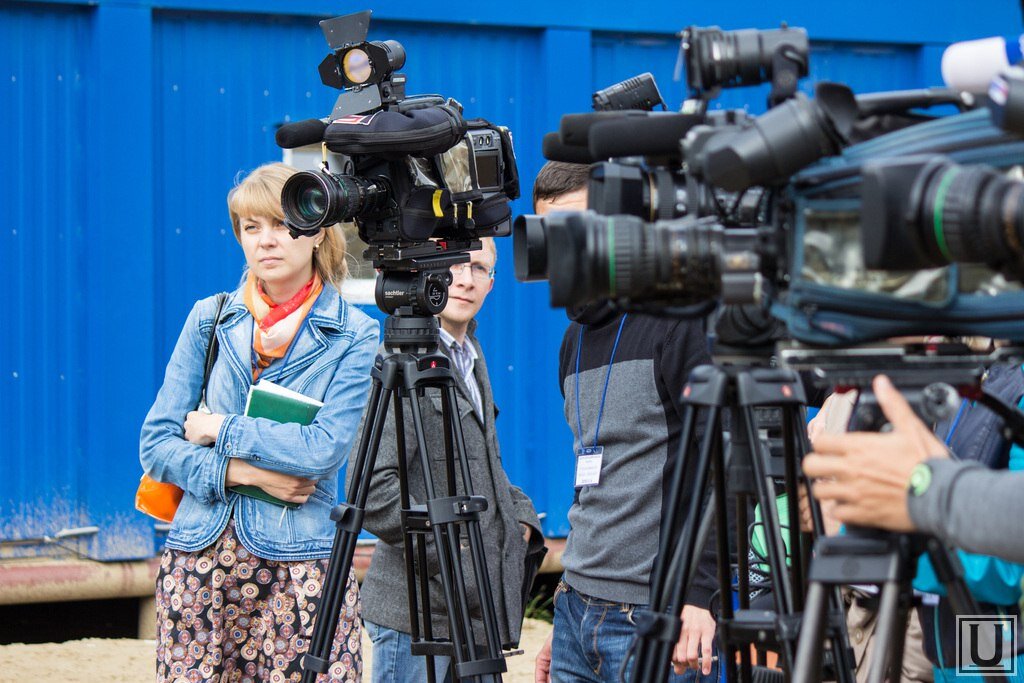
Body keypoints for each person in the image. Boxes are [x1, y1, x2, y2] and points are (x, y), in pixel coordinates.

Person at [139, 162, 379, 682]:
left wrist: (219, 428)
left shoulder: (355, 334)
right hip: (198, 560)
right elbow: (156, 444)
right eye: (252, 228)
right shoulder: (209, 317)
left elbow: (322, 450)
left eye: (282, 225)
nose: (267, 241)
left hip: (300, 564)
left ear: (316, 233)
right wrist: (247, 473)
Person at [531, 161, 720, 683]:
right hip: (577, 608)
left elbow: (723, 468)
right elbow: (594, 476)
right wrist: (565, 616)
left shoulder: (681, 321)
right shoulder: (573, 340)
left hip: (656, 618)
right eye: (547, 231)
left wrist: (701, 597)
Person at [355, 237, 544, 683]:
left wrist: (518, 517)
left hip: (474, 610)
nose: (465, 280)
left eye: (479, 268)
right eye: (454, 267)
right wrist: (457, 556)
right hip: (416, 616)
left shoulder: (471, 356)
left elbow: (479, 466)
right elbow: (373, 491)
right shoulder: (404, 360)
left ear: (493, 282)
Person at [804, 373, 1024, 562]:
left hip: (977, 608)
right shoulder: (977, 376)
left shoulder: (1002, 383)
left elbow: (1009, 571)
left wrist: (857, 533)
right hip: (942, 605)